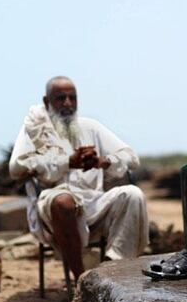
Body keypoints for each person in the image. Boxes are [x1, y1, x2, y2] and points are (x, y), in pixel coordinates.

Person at [9, 76, 148, 280]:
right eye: (60, 98)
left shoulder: (90, 127)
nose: (67, 103)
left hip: (94, 203)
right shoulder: (34, 130)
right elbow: (16, 167)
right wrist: (67, 162)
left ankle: (112, 273)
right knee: (63, 202)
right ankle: (81, 279)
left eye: (72, 98)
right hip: (53, 205)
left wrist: (103, 161)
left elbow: (131, 158)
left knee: (133, 194)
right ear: (47, 102)